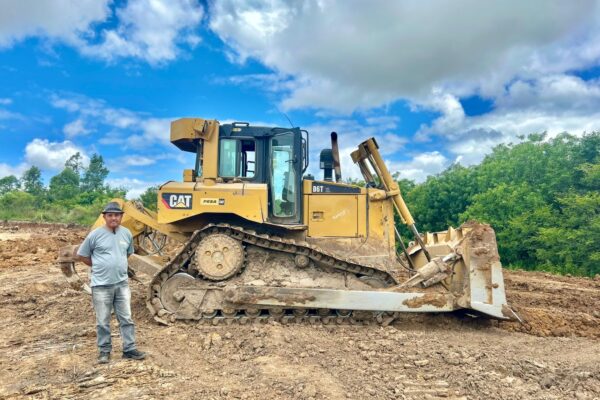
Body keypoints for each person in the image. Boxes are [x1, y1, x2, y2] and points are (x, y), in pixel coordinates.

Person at [77, 201, 146, 364]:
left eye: (117, 215)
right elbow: (83, 255)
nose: (113, 218)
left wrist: (115, 263)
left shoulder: (127, 234)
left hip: (121, 284)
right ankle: (104, 351)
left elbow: (128, 253)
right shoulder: (95, 235)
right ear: (105, 217)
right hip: (101, 285)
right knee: (102, 321)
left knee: (126, 319)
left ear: (121, 216)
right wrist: (100, 265)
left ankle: (129, 349)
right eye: (110, 215)